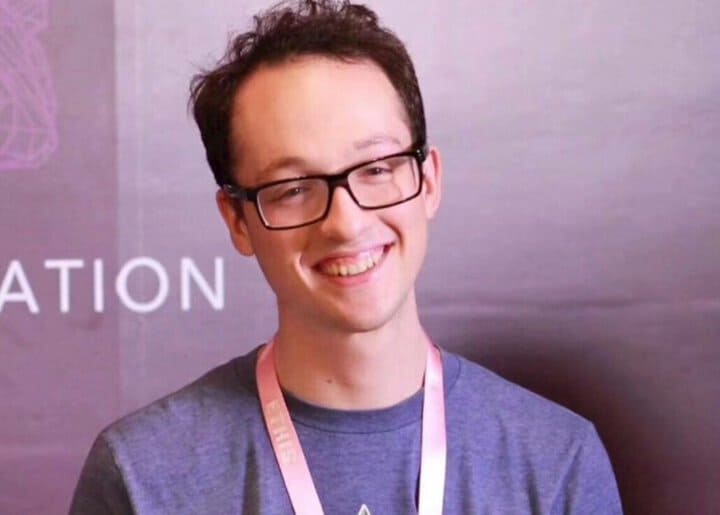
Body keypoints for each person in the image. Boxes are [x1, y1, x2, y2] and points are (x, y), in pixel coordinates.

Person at [70, 1, 623, 513]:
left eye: (376, 169)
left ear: (429, 181)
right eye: (293, 188)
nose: (346, 223)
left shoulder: (555, 461)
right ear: (237, 220)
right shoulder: (144, 476)